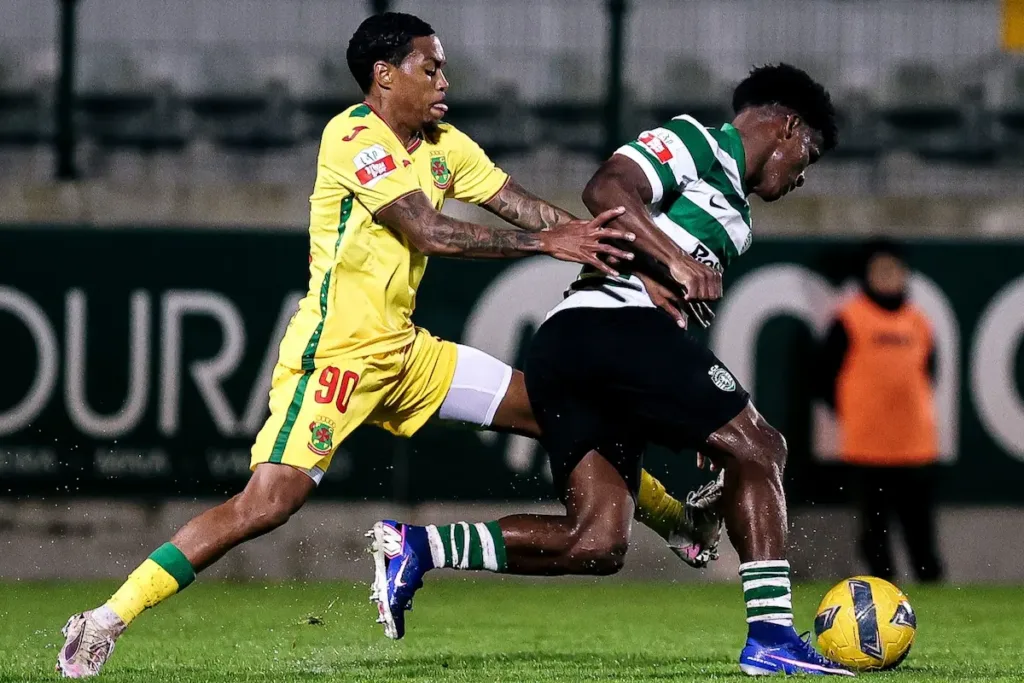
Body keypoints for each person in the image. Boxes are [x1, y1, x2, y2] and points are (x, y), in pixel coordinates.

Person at [55, 12, 724, 678]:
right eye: (429, 68)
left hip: (406, 354)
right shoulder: (352, 136)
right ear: (384, 75)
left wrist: (640, 266)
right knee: (265, 504)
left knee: (557, 408)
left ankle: (675, 522)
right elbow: (428, 231)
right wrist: (544, 243)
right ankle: (104, 620)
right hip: (334, 359)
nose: (445, 80)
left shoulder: (445, 144)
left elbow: (535, 213)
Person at [373, 63, 854, 677]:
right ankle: (771, 637)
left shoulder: (737, 216)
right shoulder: (699, 142)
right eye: (807, 156)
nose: (802, 178)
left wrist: (702, 417)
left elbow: (670, 305)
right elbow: (606, 188)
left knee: (596, 542)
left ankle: (418, 547)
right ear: (786, 126)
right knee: (763, 448)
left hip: (594, 350)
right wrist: (677, 260)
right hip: (601, 328)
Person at [819, 239, 944, 583]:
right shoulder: (849, 319)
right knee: (874, 534)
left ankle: (932, 591)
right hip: (867, 448)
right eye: (881, 270)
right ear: (867, 275)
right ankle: (882, 596)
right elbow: (825, 378)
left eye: (895, 270)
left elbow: (930, 372)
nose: (889, 277)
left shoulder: (919, 322)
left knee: (921, 532)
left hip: (916, 447)